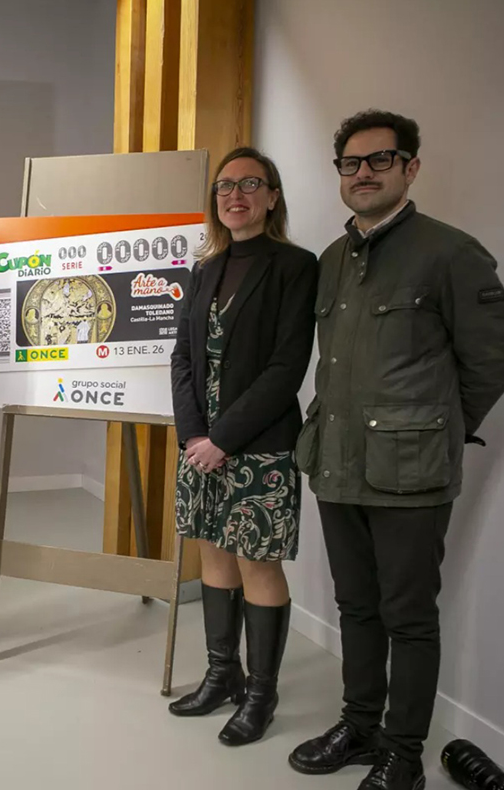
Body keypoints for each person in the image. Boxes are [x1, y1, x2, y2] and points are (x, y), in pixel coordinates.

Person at [289, 110, 504, 790]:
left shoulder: (450, 252)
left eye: (380, 160)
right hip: (335, 465)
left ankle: (403, 752)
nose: (363, 173)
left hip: (410, 479)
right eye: (351, 164)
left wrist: (433, 429)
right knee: (355, 607)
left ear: (410, 167)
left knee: (409, 615)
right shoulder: (333, 260)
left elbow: (497, 357)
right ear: (339, 175)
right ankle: (359, 725)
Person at [169, 147, 318, 745]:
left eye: (251, 184)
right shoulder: (204, 269)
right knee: (213, 558)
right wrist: (194, 437)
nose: (236, 195)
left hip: (259, 445)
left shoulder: (295, 266)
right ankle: (220, 675)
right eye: (225, 186)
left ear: (272, 196)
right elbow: (183, 359)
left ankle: (261, 695)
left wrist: (223, 440)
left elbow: (287, 368)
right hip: (200, 444)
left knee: (258, 563)